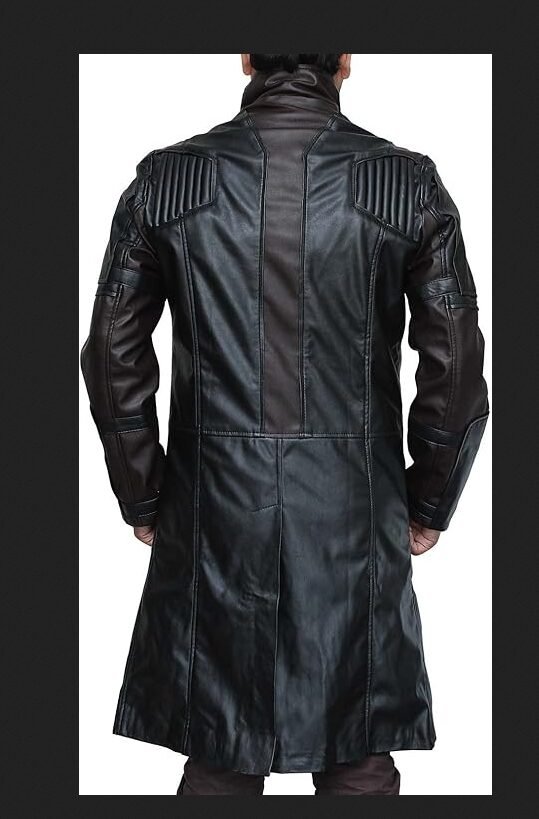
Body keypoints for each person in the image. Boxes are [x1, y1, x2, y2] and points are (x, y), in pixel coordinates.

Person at [80, 53, 489, 796]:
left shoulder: (166, 181)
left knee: (219, 752)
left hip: (214, 511)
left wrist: (145, 494)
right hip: (352, 514)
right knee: (357, 753)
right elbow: (455, 364)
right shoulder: (406, 184)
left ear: (245, 57)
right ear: (346, 61)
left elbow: (111, 352)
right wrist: (428, 502)